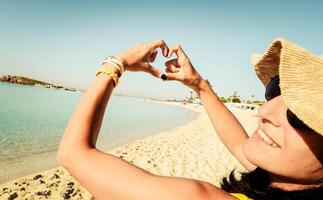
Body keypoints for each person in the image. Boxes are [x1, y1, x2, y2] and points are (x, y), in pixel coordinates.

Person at [58, 38, 323, 200]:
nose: (264, 111)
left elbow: (73, 153)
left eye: (298, 114)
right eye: (275, 91)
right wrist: (199, 85)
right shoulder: (286, 180)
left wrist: (117, 63)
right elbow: (241, 146)